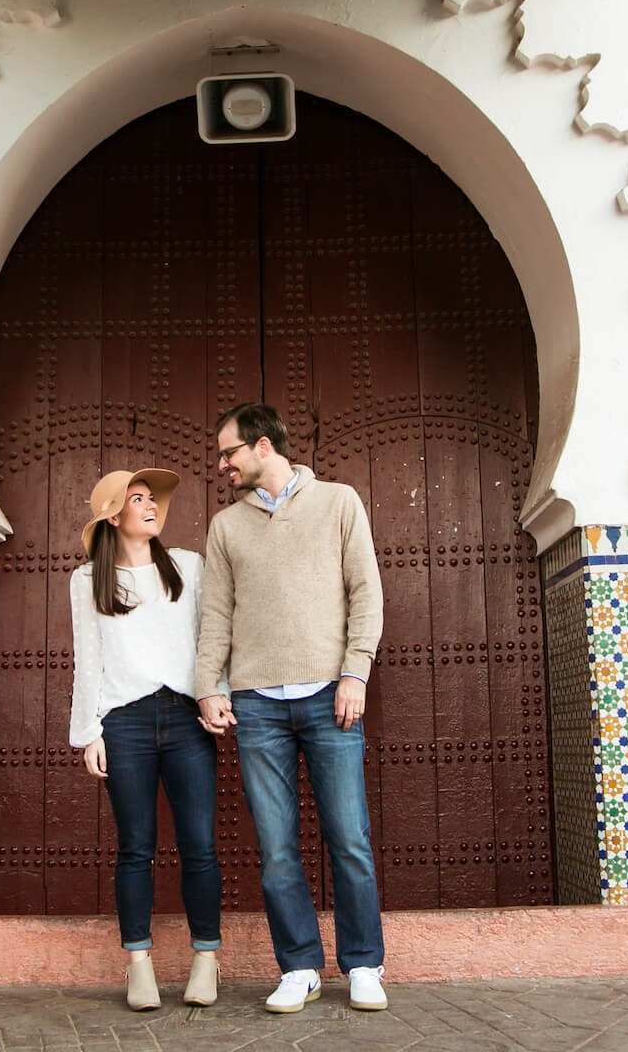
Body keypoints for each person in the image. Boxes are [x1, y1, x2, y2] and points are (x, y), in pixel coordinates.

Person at [193, 402, 389, 1014]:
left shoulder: (338, 503)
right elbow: (216, 615)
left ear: (263, 448)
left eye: (229, 451)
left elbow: (366, 593)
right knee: (276, 847)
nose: (222, 463)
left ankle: (363, 965)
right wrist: (208, 686)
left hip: (331, 699)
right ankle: (299, 965)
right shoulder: (226, 527)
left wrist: (355, 673)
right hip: (257, 707)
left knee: (348, 838)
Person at [69, 467, 221, 1011]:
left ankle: (206, 959)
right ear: (115, 515)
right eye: (139, 498)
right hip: (124, 723)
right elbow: (88, 659)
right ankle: (139, 965)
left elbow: (210, 638)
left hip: (184, 719)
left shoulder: (187, 567)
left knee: (198, 845)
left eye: (152, 498)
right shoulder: (88, 581)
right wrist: (89, 731)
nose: (153, 505)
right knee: (136, 848)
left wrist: (215, 693)